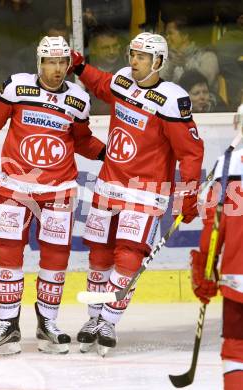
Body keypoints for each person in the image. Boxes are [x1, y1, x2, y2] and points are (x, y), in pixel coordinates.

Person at [0, 36, 105, 356]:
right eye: (50, 62)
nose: (57, 69)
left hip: (59, 188)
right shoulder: (17, 88)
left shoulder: (78, 99)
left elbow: (84, 142)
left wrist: (112, 155)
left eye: (63, 62)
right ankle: (8, 326)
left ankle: (47, 323)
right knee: (7, 252)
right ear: (39, 62)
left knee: (55, 256)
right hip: (16, 186)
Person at [70, 31, 204, 356]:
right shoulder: (122, 81)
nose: (134, 61)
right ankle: (93, 318)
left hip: (146, 193)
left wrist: (187, 196)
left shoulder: (172, 100)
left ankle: (109, 322)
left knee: (128, 257)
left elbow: (190, 152)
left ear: (158, 61)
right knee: (100, 256)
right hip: (108, 185)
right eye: (132, 54)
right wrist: (80, 67)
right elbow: (102, 83)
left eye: (141, 57)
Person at [190, 105, 243, 389]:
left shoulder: (227, 167)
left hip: (239, 277)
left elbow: (214, 226)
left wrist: (205, 270)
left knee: (236, 351)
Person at [161, 18, 220, 94]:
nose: (167, 37)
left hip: (201, 104)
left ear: (185, 36)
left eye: (170, 33)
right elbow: (159, 86)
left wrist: (185, 65)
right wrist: (171, 67)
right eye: (166, 34)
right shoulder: (167, 58)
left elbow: (203, 84)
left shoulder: (207, 56)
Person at [88, 25, 126, 115]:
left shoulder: (128, 71)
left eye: (115, 46)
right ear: (93, 49)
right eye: (106, 48)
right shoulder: (83, 73)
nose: (112, 51)